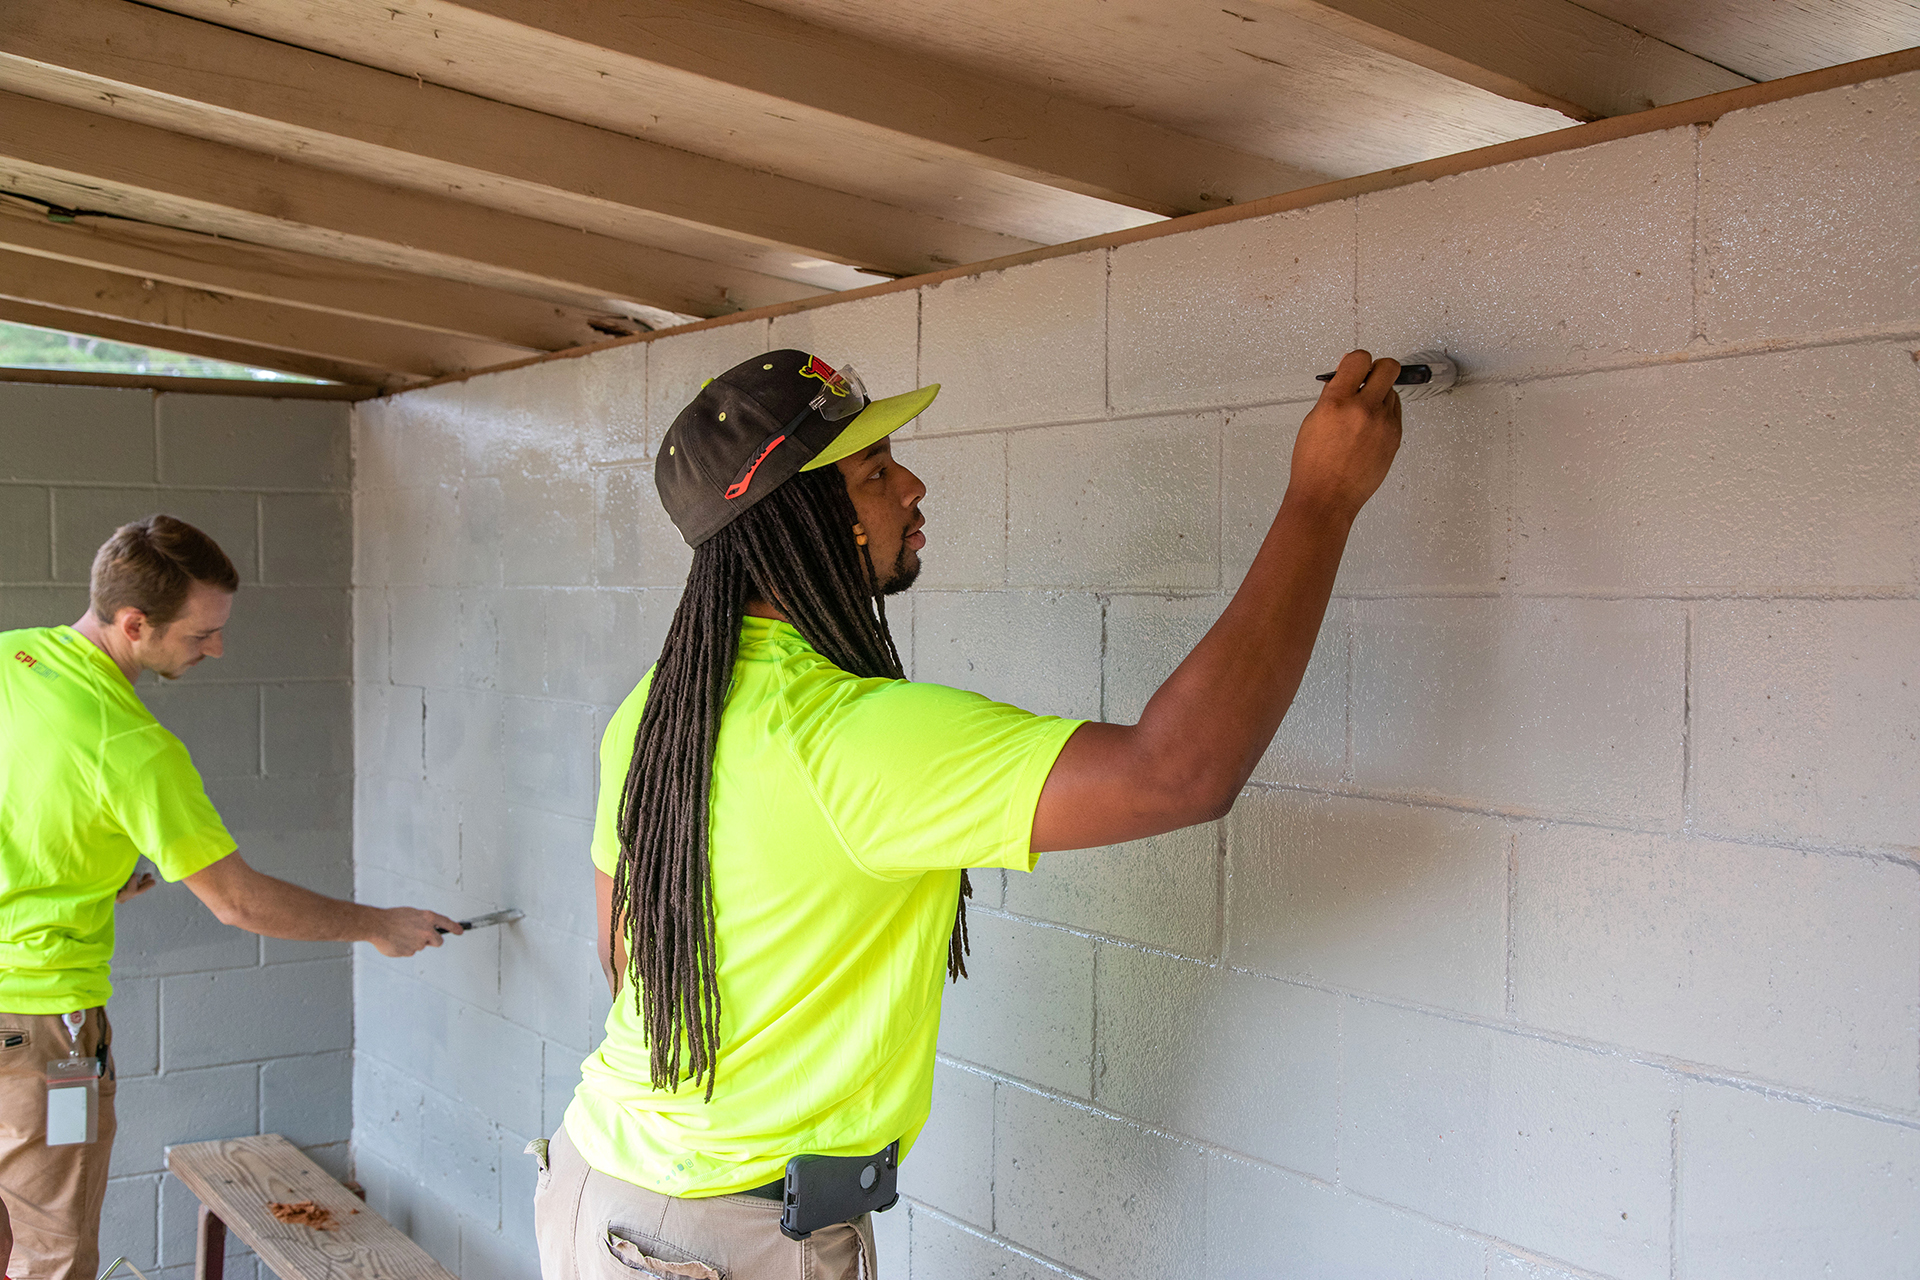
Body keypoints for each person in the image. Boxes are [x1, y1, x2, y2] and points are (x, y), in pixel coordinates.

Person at [533, 348, 1403, 1279]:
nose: (909, 486)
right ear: (799, 518)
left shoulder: (659, 709)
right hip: (716, 1242)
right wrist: (1322, 502)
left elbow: (624, 954)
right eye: (871, 474)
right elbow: (1179, 772)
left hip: (600, 1190)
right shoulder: (849, 737)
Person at [0, 515, 465, 1280]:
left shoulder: (15, 656)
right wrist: (377, 925)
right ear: (133, 623)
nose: (215, 648)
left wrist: (81, 873)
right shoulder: (133, 744)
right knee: (50, 1260)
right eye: (199, 634)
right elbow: (239, 902)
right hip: (41, 1031)